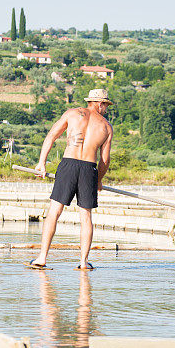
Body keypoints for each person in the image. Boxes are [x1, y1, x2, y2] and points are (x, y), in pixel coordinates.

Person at [28, 89, 114, 271]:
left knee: (54, 212)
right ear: (100, 103)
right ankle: (83, 262)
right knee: (86, 217)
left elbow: (51, 136)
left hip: (68, 165)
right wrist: (98, 180)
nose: (106, 109)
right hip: (88, 168)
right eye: (106, 105)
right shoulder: (106, 127)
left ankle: (42, 258)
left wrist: (42, 163)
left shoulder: (72, 113)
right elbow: (104, 160)